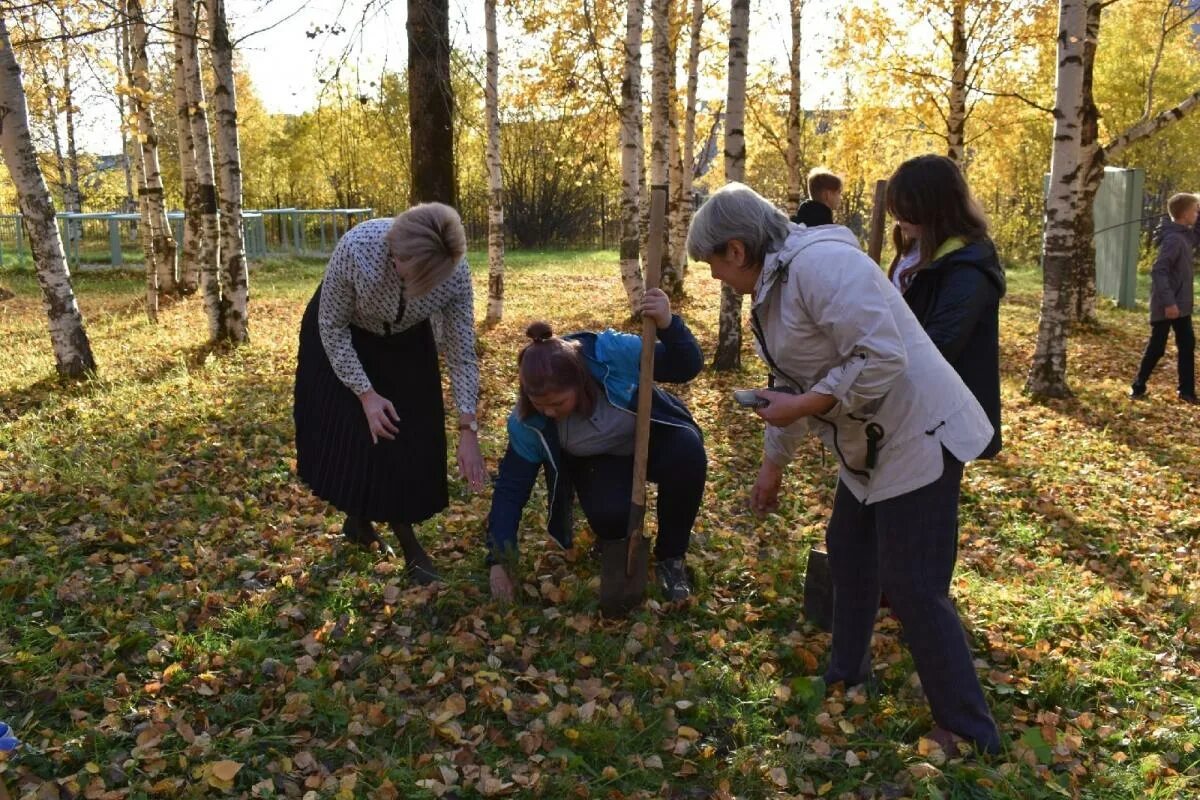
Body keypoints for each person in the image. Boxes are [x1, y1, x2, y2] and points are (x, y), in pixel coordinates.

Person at [688, 182, 1002, 754]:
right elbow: (790, 381)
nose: (714, 278)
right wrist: (772, 466)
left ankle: (969, 729)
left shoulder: (823, 265)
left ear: (736, 249)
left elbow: (882, 356)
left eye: (713, 264)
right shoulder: (775, 285)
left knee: (914, 585)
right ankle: (847, 673)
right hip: (867, 444)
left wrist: (807, 405)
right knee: (850, 552)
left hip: (917, 434)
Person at [293, 203, 487, 584]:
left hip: (406, 340)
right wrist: (366, 395)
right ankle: (412, 550)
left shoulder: (454, 272)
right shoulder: (358, 248)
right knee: (362, 435)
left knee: (410, 433)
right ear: (395, 254)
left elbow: (462, 352)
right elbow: (331, 327)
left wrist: (469, 428)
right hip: (343, 333)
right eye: (405, 269)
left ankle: (358, 522)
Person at [485, 289, 706, 604]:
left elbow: (686, 366)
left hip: (652, 440)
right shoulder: (527, 423)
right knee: (609, 516)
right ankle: (613, 538)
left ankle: (672, 558)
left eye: (558, 403)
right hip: (599, 463)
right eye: (539, 404)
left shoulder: (609, 354)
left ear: (579, 382)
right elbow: (510, 488)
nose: (548, 412)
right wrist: (498, 561)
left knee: (687, 451)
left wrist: (669, 323)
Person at [886, 154, 1005, 457]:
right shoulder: (916, 247)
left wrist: (871, 371)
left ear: (933, 208)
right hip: (903, 410)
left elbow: (939, 345)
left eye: (906, 210)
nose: (898, 218)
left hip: (938, 423)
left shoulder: (968, 268)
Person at [1130, 192, 1200, 404]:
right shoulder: (1173, 239)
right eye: (1195, 210)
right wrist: (1169, 303)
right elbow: (1159, 271)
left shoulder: (1184, 235)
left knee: (1187, 344)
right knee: (1157, 347)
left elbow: (1198, 233)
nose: (1197, 214)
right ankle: (1138, 386)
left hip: (1181, 305)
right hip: (1167, 304)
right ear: (1185, 214)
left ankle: (1186, 392)